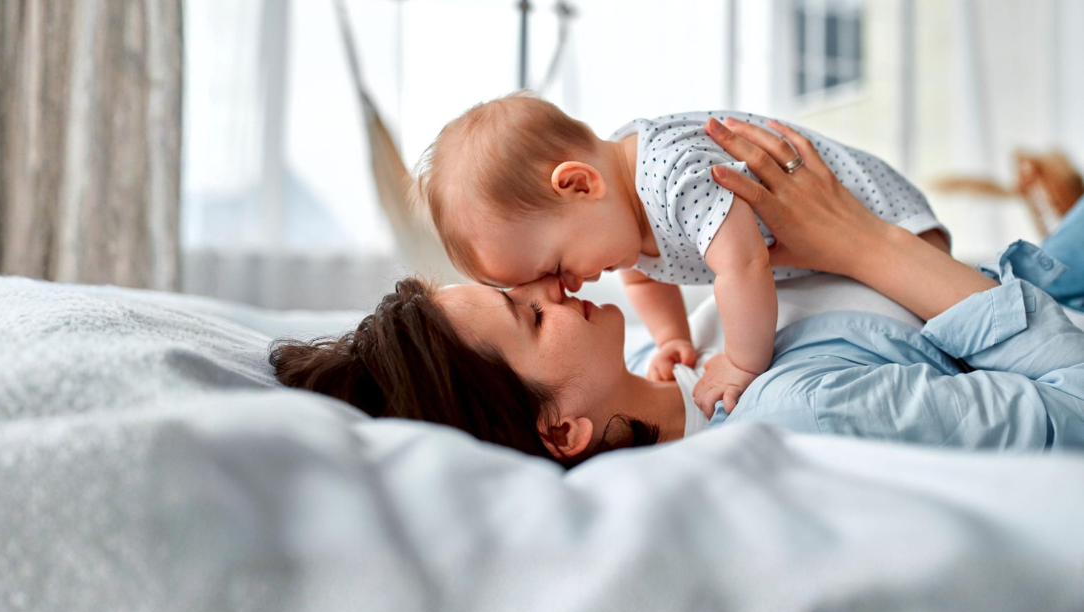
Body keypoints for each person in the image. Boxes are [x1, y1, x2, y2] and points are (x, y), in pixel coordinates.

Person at [273, 120, 1084, 468]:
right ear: (560, 430)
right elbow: (1072, 408)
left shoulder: (689, 350)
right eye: (528, 312)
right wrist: (865, 245)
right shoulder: (792, 405)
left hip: (1034, 274)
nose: (551, 286)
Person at [413, 93, 950, 416]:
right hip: (833, 253)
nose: (567, 286)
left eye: (555, 267)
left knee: (926, 324)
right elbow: (645, 276)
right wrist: (673, 337)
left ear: (579, 184)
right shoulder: (620, 215)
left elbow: (743, 265)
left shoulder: (674, 177)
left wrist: (741, 362)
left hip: (891, 225)